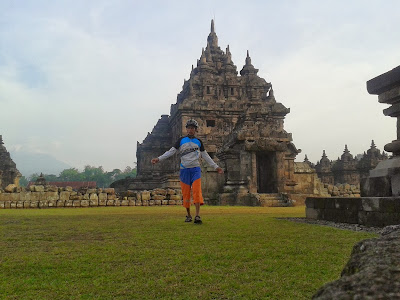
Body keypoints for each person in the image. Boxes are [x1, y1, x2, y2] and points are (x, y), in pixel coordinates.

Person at [151, 119, 223, 224]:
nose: (191, 130)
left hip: (195, 169)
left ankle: (197, 215)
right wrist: (159, 159)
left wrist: (216, 167)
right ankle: (188, 214)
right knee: (186, 194)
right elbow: (171, 152)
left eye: (193, 128)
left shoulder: (199, 142)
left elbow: (205, 155)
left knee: (197, 191)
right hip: (184, 170)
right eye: (189, 128)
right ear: (186, 129)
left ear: (196, 130)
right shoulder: (181, 141)